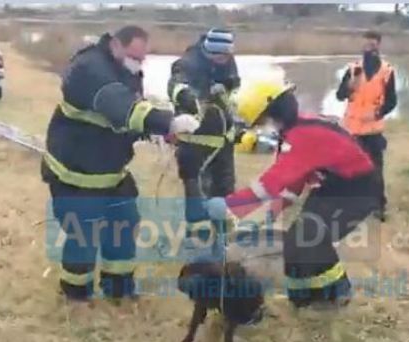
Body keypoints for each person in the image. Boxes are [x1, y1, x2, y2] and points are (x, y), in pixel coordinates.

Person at [42, 25, 200, 302]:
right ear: (115, 44)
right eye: (134, 57)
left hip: (111, 169)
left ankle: (119, 288)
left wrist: (160, 133)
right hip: (76, 172)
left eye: (142, 59)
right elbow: (121, 107)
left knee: (125, 223)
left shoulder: (126, 70)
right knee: (84, 234)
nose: (138, 64)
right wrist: (168, 121)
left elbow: (130, 117)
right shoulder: (90, 68)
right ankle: (76, 294)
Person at [203, 81, 379, 308]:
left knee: (310, 239)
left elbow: (271, 183)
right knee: (298, 242)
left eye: (262, 121)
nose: (263, 127)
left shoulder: (303, 136)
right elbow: (294, 180)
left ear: (274, 112)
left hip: (358, 191)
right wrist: (272, 212)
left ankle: (338, 294)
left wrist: (229, 205)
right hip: (333, 187)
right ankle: (302, 300)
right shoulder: (296, 130)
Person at [167, 28, 241, 237]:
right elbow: (175, 86)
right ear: (210, 51)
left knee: (225, 188)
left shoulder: (228, 61)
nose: (224, 59)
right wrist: (187, 97)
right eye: (220, 55)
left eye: (227, 55)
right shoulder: (188, 63)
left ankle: (224, 234)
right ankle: (197, 237)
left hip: (223, 141)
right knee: (197, 190)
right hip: (195, 144)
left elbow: (234, 87)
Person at [335, 30, 397, 222]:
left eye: (373, 44)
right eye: (366, 44)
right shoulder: (353, 69)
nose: (369, 48)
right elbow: (339, 95)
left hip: (373, 131)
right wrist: (349, 86)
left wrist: (378, 113)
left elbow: (392, 101)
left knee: (375, 170)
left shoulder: (387, 72)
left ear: (378, 45)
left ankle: (378, 206)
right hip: (352, 130)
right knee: (351, 170)